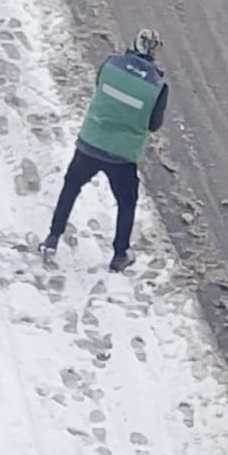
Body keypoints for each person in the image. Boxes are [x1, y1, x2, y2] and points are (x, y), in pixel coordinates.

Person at [42, 30, 168, 273]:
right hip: (122, 155)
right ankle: (120, 255)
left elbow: (100, 87)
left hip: (91, 142)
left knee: (70, 187)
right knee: (127, 202)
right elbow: (154, 124)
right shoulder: (158, 86)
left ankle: (52, 239)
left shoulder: (110, 65)